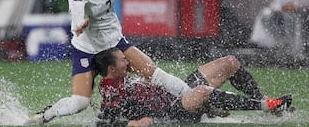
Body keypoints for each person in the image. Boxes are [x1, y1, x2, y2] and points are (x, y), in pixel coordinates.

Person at [25, 0, 192, 125]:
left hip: (114, 41)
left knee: (152, 73)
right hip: (87, 49)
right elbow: (77, 17)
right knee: (80, 102)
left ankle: (194, 101)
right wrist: (81, 24)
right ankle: (44, 116)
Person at [95, 47, 293, 126]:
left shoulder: (126, 75)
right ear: (111, 69)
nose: (128, 62)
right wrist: (135, 123)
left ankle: (261, 99)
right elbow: (104, 122)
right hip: (172, 112)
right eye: (123, 60)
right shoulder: (111, 88)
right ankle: (267, 105)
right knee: (202, 92)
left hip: (178, 94)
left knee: (230, 62)